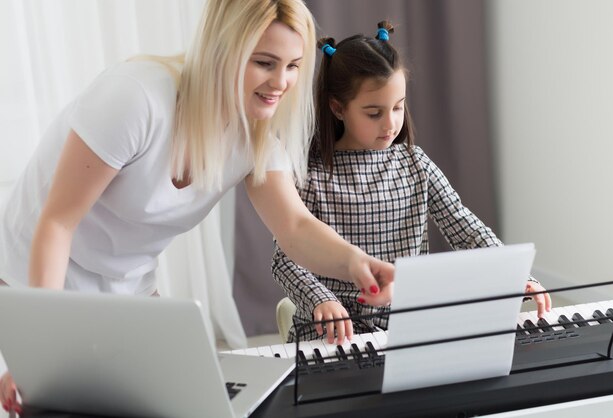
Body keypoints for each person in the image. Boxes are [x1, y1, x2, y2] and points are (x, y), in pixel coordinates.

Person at [0, 1, 395, 413]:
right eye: (264, 62)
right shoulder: (135, 99)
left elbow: (294, 227)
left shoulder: (253, 135)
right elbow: (58, 223)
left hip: (126, 286)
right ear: (222, 50)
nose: (281, 81)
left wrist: (357, 264)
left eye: (294, 65)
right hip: (34, 280)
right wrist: (41, 354)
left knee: (190, 401)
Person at [272, 21, 551, 345]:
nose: (390, 123)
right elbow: (285, 258)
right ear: (338, 108)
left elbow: (464, 226)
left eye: (398, 107)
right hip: (334, 333)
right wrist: (320, 299)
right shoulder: (312, 176)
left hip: (405, 331)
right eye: (374, 113)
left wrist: (516, 276)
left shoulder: (415, 163)